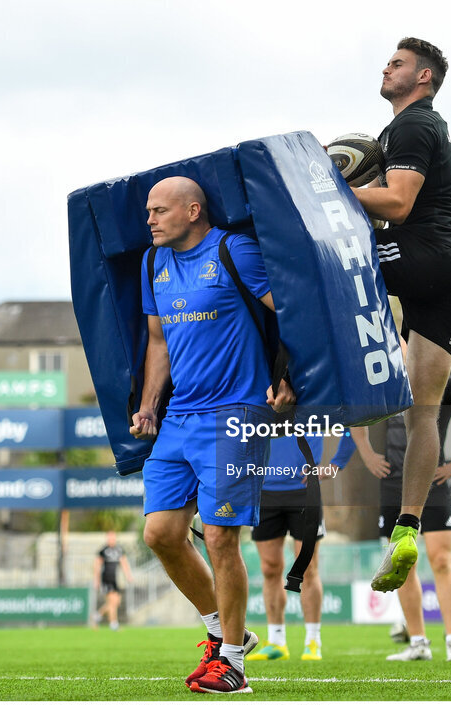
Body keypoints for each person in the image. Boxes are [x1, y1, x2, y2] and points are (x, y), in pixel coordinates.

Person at [131, 176, 295, 694]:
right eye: (149, 212)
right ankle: (226, 632)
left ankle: (232, 666)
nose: (150, 220)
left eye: (160, 211)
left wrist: (288, 375)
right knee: (159, 534)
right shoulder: (153, 263)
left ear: (194, 210)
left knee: (222, 538)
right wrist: (149, 405)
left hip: (236, 413)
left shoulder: (234, 251)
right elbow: (158, 340)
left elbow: (291, 314)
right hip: (179, 418)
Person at [352, 37, 451, 594]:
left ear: (423, 76)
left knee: (336, 270)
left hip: (430, 256)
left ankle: (293, 377)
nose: (387, 67)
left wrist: (330, 187)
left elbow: (399, 203)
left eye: (398, 62)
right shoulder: (409, 130)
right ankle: (408, 527)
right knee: (420, 412)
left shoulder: (414, 124)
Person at [338, 376, 451, 662]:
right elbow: (355, 413)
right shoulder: (385, 379)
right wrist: (367, 454)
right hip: (393, 484)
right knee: (401, 563)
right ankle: (418, 642)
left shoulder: (447, 383)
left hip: (431, 483)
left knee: (441, 560)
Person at [247, 434, 328, 662]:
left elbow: (351, 427)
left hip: (304, 491)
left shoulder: (313, 399)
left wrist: (337, 463)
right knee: (269, 569)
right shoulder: (256, 399)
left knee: (308, 567)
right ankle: (276, 642)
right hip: (264, 492)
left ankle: (313, 641)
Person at [93, 530, 133, 630]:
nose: (111, 540)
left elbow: (124, 563)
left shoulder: (119, 550)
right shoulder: (103, 550)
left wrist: (128, 575)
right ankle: (113, 624)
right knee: (112, 602)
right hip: (106, 579)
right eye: (109, 538)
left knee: (116, 602)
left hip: (114, 579)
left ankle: (97, 615)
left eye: (113, 537)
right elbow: (97, 565)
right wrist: (96, 580)